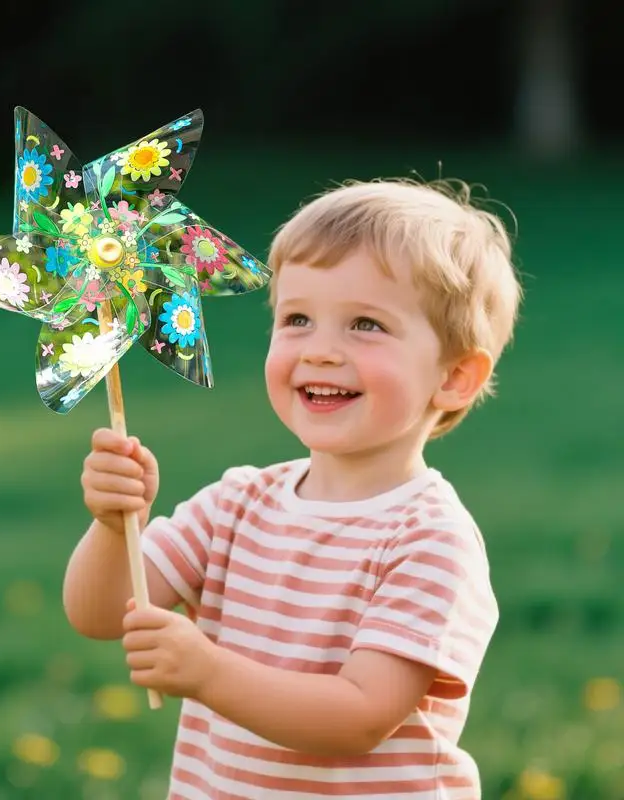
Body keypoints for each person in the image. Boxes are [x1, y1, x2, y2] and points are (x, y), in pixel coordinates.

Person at [63, 177, 523, 799]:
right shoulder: (235, 505)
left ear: (457, 377)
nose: (322, 351)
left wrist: (208, 672)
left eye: (366, 324)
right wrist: (115, 523)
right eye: (297, 318)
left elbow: (360, 716)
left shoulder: (429, 540)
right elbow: (98, 615)